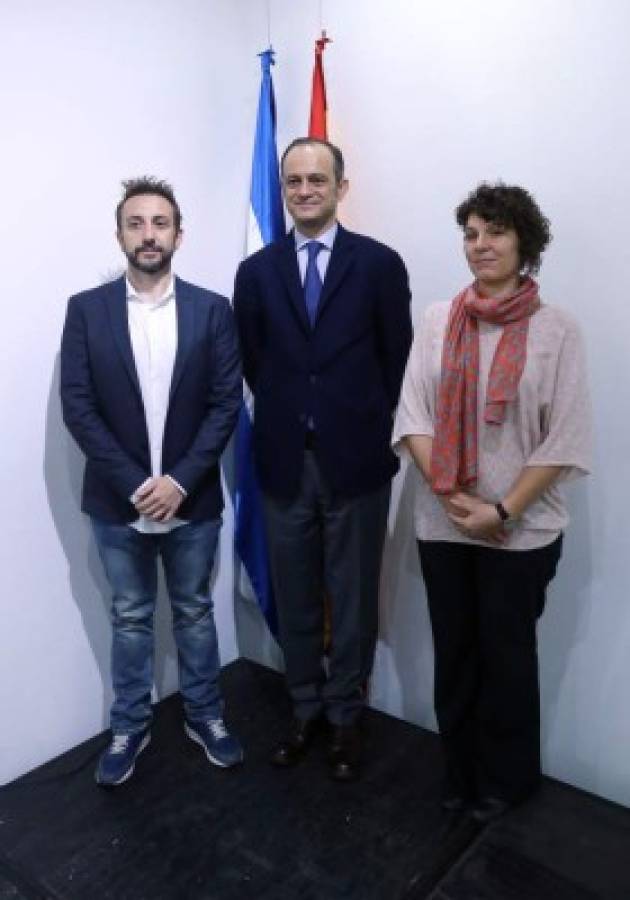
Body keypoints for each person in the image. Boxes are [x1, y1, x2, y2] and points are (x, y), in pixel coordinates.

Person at [393, 183, 591, 820]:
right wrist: (457, 500)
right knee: (455, 655)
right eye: (471, 233)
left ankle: (508, 781)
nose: (480, 245)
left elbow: (565, 438)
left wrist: (500, 511)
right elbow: (413, 415)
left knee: (507, 659)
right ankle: (460, 773)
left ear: (524, 242)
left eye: (495, 232)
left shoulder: (557, 330)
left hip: (522, 530)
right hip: (444, 523)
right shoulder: (437, 320)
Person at [233, 138, 412, 781]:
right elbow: (254, 361)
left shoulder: (379, 264)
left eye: (317, 179)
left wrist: (352, 420)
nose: (304, 190)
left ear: (341, 186)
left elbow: (397, 359)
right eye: (293, 181)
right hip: (285, 462)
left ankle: (345, 718)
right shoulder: (257, 272)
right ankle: (304, 709)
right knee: (297, 596)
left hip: (356, 464)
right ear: (282, 189)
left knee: (353, 597)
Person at [60, 177, 243, 786]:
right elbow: (78, 406)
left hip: (194, 502)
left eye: (160, 223)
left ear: (178, 235)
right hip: (119, 503)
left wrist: (180, 482)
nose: (148, 234)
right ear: (119, 235)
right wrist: (138, 483)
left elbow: (225, 403)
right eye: (136, 223)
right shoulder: (86, 310)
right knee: (131, 617)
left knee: (193, 612)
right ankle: (129, 725)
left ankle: (205, 716)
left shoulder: (212, 309)